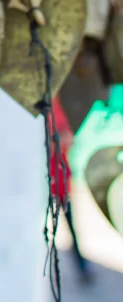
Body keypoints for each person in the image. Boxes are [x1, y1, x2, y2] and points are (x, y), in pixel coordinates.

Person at [51, 95, 94, 284]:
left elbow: (68, 138)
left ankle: (82, 268)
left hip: (60, 182)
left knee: (71, 227)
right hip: (48, 180)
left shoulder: (58, 108)